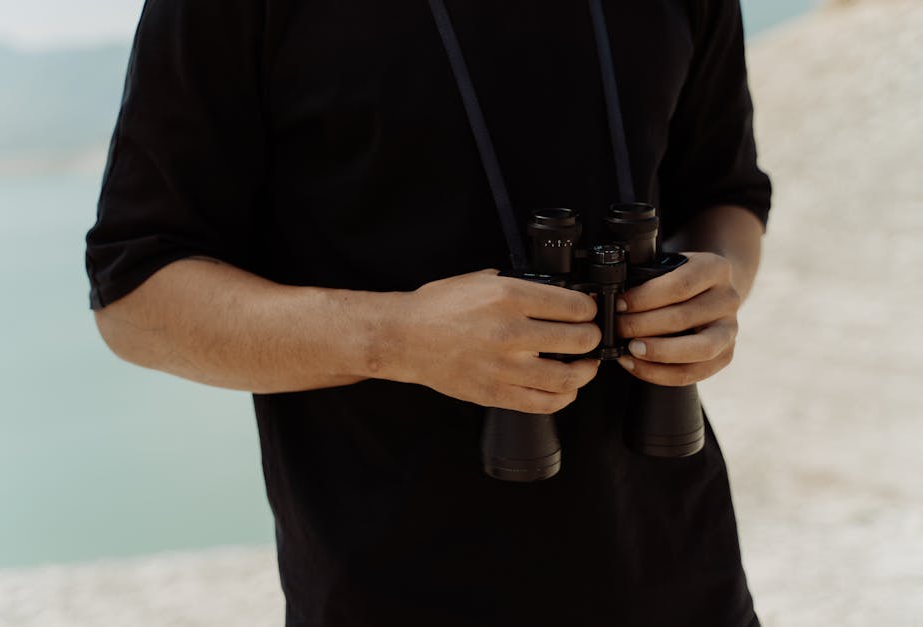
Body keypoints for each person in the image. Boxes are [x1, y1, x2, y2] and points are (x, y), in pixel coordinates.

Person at [86, 0, 771, 625]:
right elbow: (137, 295)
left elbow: (726, 196)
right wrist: (401, 337)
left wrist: (714, 288)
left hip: (687, 581)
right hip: (387, 593)